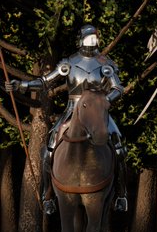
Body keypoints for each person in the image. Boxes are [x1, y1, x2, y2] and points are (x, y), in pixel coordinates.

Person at [8, 25, 127, 215]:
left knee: (119, 147)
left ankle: (121, 194)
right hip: (73, 110)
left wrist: (105, 100)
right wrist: (22, 85)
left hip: (97, 111)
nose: (92, 42)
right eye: (88, 38)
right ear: (80, 40)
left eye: (94, 38)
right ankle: (48, 195)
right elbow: (45, 82)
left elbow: (118, 88)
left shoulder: (105, 63)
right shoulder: (69, 63)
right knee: (50, 147)